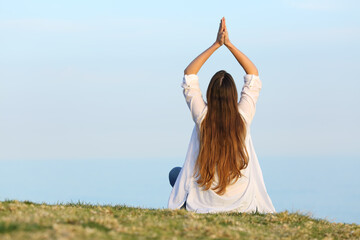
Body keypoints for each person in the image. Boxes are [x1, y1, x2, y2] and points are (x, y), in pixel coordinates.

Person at [168, 17, 275, 214]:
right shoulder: (243, 118)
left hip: (202, 201)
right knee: (178, 175)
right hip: (241, 202)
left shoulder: (203, 117)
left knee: (175, 175)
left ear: (209, 94)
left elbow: (189, 75)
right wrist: (229, 44)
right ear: (233, 95)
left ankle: (188, 205)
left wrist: (216, 44)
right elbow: (253, 74)